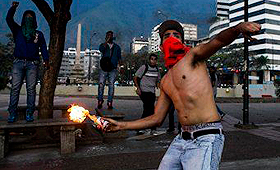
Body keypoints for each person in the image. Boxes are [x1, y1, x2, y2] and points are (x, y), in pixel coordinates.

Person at [104, 20, 261, 169]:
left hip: (207, 136)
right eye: (167, 36)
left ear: (182, 42)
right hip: (181, 138)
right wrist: (122, 126)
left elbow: (218, 41)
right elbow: (156, 118)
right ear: (160, 46)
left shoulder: (193, 57)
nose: (172, 38)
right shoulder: (165, 81)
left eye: (176, 35)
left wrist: (237, 29)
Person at [6, 1, 49, 123]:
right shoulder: (17, 30)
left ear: (34, 20)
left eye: (31, 17)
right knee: (15, 88)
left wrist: (46, 60)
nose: (29, 19)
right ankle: (12, 113)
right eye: (27, 17)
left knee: (31, 89)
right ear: (23, 19)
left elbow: (44, 48)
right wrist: (13, 8)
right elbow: (9, 19)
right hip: (18, 63)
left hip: (32, 64)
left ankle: (30, 113)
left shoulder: (38, 34)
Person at [133, 53, 161, 135]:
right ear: (149, 60)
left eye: (155, 59)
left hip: (152, 91)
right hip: (144, 90)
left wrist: (160, 87)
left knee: (150, 109)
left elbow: (158, 80)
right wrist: (138, 88)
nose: (153, 61)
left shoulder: (157, 69)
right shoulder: (144, 67)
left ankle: (148, 127)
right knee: (148, 108)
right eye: (151, 59)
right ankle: (144, 127)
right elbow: (135, 77)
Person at [97, 31, 121, 109]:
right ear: (106, 36)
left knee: (111, 85)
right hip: (103, 67)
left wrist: (120, 66)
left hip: (113, 68)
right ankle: (100, 100)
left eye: (111, 35)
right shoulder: (103, 45)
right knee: (101, 84)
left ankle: (110, 102)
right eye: (108, 35)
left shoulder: (117, 47)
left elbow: (119, 58)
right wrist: (106, 42)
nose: (109, 37)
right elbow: (101, 50)